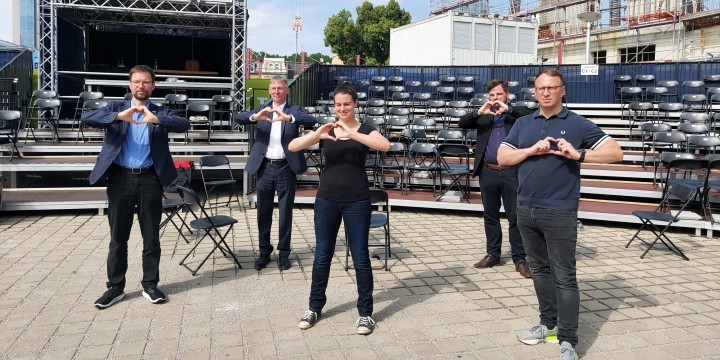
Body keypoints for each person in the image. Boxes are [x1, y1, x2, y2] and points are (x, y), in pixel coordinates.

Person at [498, 69, 623, 360]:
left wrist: (578, 154)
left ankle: (567, 340)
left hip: (560, 210)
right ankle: (548, 324)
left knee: (565, 277)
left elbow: (616, 152)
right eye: (541, 87)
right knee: (539, 270)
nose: (545, 92)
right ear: (534, 91)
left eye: (552, 87)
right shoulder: (523, 123)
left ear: (562, 90)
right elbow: (503, 158)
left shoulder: (577, 123)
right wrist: (531, 150)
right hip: (525, 207)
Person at [82, 65, 191, 309]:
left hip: (150, 179)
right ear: (130, 85)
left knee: (151, 236)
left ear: (153, 86)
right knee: (118, 237)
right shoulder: (115, 108)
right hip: (120, 178)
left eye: (146, 82)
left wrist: (158, 119)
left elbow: (184, 124)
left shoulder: (162, 110)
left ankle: (150, 284)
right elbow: (86, 117)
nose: (141, 86)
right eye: (137, 82)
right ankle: (115, 288)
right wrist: (119, 117)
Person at [288, 83, 390, 335]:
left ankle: (365, 313)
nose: (342, 108)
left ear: (355, 104)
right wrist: (318, 135)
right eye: (338, 105)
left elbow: (384, 145)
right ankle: (314, 307)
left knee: (360, 257)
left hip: (357, 200)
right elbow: (293, 146)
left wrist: (351, 133)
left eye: (346, 104)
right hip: (327, 200)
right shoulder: (328, 129)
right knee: (322, 255)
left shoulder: (366, 130)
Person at [235, 76, 316, 270]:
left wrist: (290, 118)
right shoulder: (263, 109)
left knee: (285, 212)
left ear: (286, 90)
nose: (277, 91)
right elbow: (239, 117)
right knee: (263, 211)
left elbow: (312, 120)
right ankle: (264, 252)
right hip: (265, 167)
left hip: (286, 167)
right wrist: (256, 117)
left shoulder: (294, 110)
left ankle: (284, 254)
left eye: (281, 88)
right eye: (274, 88)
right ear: (269, 91)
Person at [458, 79, 533, 278]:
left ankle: (520, 258)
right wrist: (479, 112)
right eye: (491, 95)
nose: (495, 98)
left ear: (506, 94)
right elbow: (462, 123)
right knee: (490, 215)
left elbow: (533, 116)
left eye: (498, 94)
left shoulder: (516, 115)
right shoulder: (484, 116)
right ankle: (493, 254)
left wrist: (508, 110)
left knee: (514, 216)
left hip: (512, 171)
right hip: (488, 171)